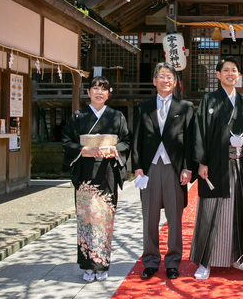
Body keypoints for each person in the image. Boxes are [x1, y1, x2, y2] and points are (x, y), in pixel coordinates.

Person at [62, 76, 131, 282]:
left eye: (104, 89)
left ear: (109, 94)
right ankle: (87, 265)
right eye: (95, 88)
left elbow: (126, 140)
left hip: (107, 172)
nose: (99, 92)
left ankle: (101, 264)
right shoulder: (78, 116)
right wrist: (84, 150)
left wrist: (114, 149)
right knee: (86, 220)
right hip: (85, 172)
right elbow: (66, 141)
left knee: (104, 219)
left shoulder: (117, 116)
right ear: (88, 92)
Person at [132, 62, 195, 280]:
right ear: (154, 80)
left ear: (175, 82)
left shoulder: (185, 107)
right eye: (161, 76)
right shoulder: (143, 107)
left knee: (174, 216)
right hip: (149, 168)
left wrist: (188, 167)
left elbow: (190, 141)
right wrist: (137, 167)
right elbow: (136, 140)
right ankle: (150, 260)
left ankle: (173, 260)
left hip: (174, 168)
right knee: (149, 216)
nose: (165, 80)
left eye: (169, 76)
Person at [190, 55, 243, 280]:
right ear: (218, 74)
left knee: (237, 211)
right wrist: (201, 162)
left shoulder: (242, 101)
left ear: (239, 75)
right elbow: (200, 131)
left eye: (234, 70)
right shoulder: (209, 100)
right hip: (214, 165)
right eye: (226, 70)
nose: (230, 74)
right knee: (210, 212)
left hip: (238, 164)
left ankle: (236, 256)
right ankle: (205, 262)